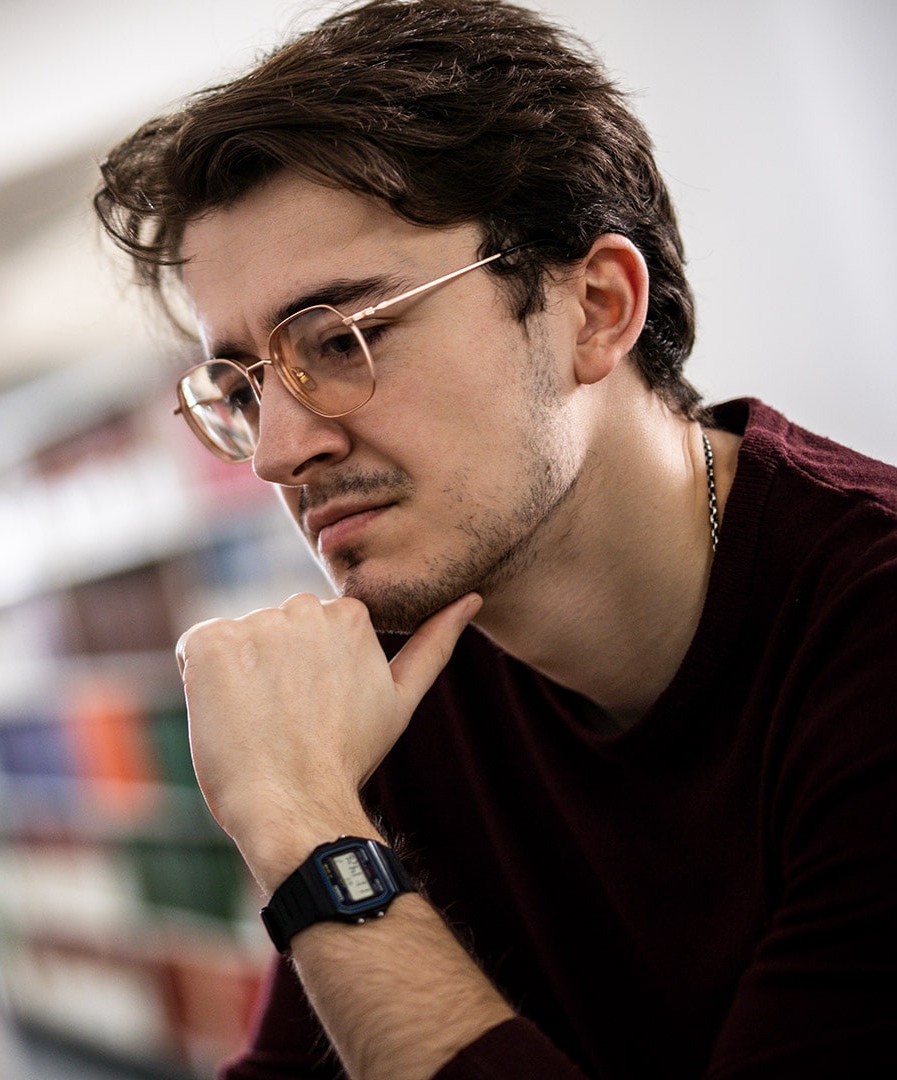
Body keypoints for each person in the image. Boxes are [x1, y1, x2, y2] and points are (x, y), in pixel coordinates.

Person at [92, 1, 897, 1077]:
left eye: (341, 337)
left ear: (595, 309)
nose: (277, 452)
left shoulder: (869, 634)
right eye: (239, 388)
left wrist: (311, 841)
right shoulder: (400, 673)